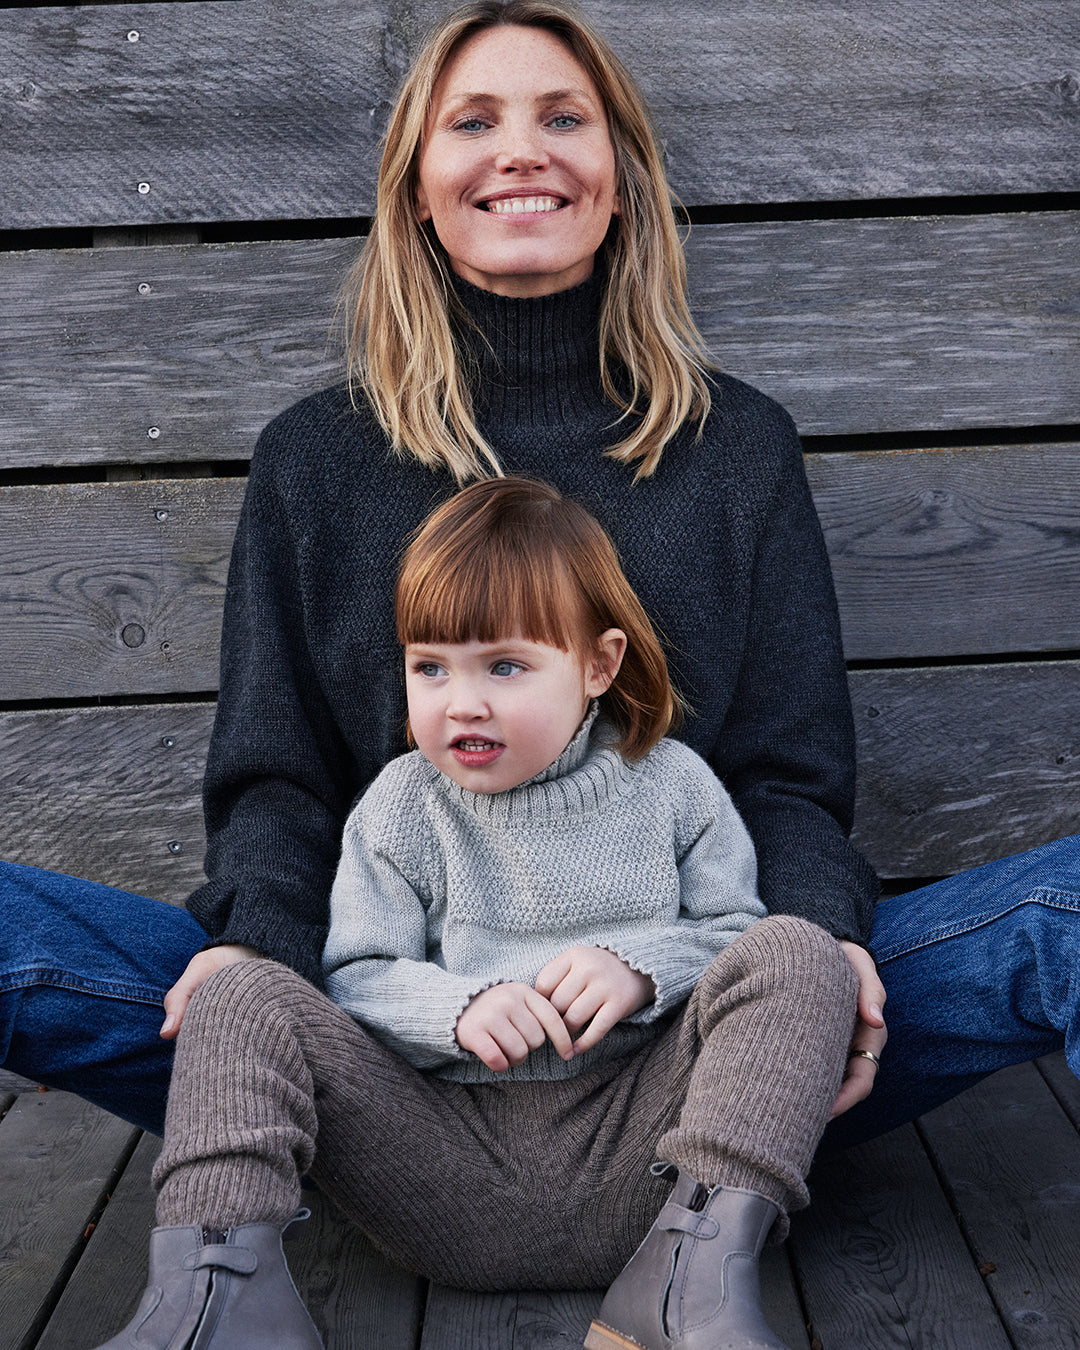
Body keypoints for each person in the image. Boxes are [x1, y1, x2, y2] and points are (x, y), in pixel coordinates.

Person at [2, 0, 1078, 1307]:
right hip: (384, 1053)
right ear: (415, 190)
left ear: (621, 181)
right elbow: (276, 787)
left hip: (699, 1041)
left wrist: (807, 950)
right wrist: (262, 966)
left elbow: (792, 783)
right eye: (475, 121)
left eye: (563, 117)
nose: (523, 150)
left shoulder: (736, 452)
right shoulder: (317, 463)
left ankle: (709, 1223)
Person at [91, 476, 860, 1350]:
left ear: (598, 665)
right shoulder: (401, 807)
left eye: (505, 665)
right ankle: (215, 1302)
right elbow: (357, 975)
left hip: (647, 1165)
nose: (462, 702)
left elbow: (738, 940)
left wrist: (643, 966)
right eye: (430, 666)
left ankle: (691, 1284)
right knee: (241, 990)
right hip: (441, 1167)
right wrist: (454, 1008)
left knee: (800, 949)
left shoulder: (673, 785)